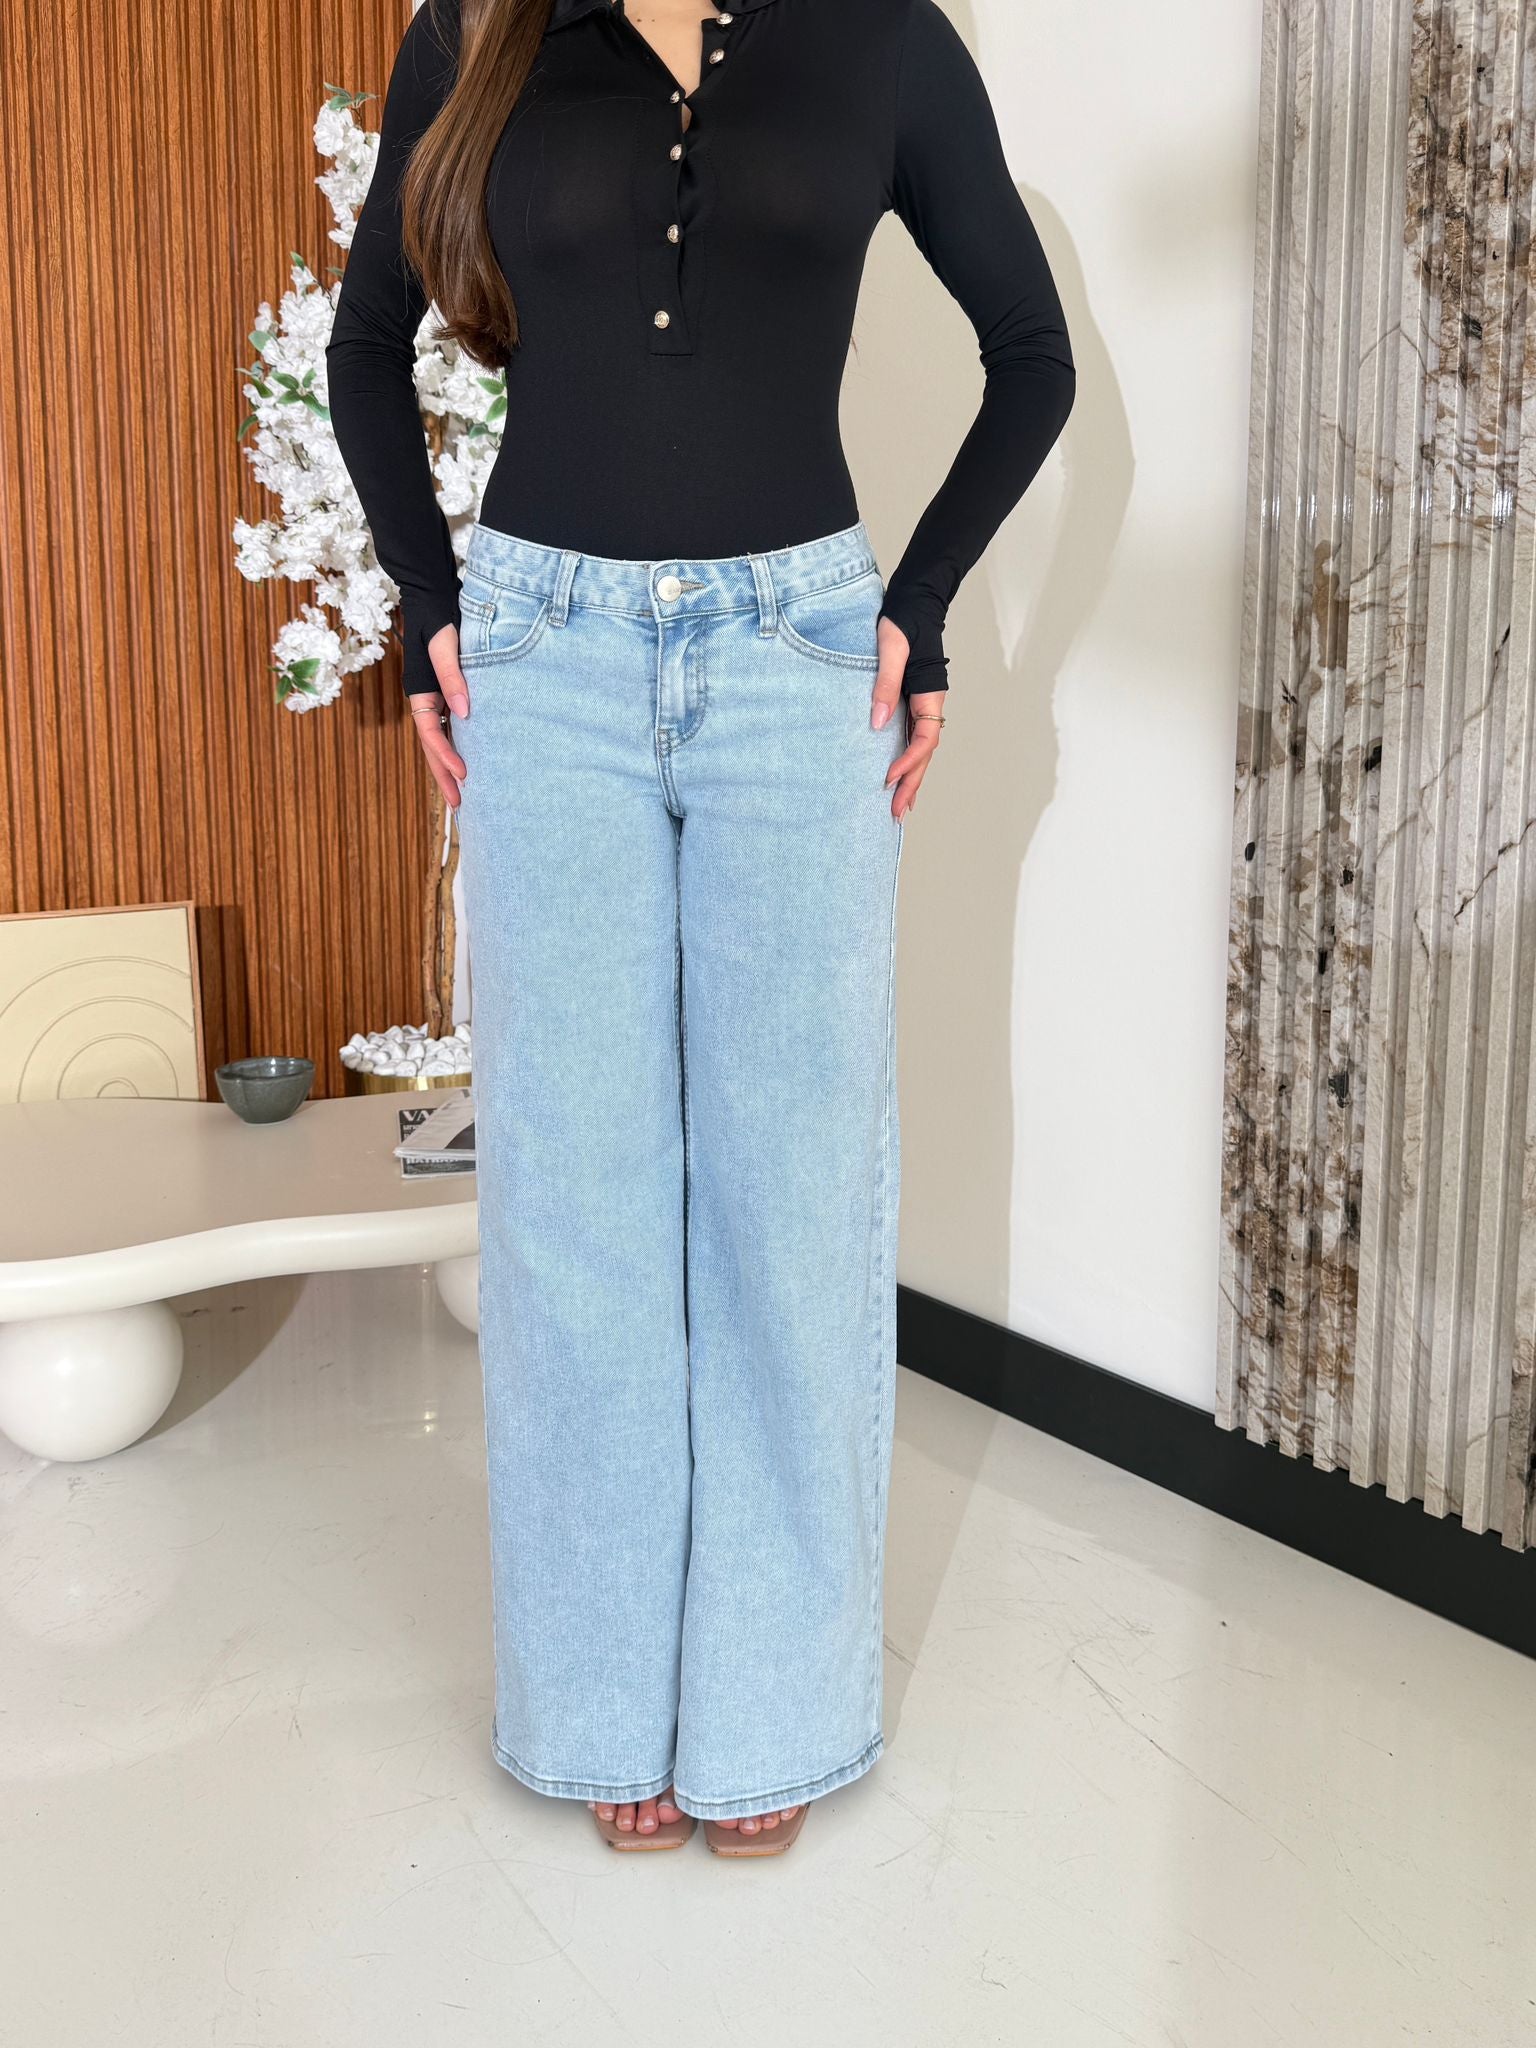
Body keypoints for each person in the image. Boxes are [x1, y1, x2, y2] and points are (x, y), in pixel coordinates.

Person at [325, 0, 1074, 1858]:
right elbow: (364, 343)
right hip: (547, 661)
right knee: (573, 1204)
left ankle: (772, 1715)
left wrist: (922, 607)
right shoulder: (479, 31)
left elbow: (1033, 355)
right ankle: (598, 1708)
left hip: (794, 666)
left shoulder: (880, 37)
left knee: (792, 1205)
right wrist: (429, 609)